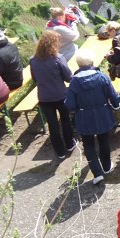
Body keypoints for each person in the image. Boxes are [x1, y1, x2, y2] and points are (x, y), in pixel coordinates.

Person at [65, 50, 120, 185]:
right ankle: (106, 166)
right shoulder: (102, 77)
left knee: (88, 145)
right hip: (102, 114)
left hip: (84, 117)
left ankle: (97, 174)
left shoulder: (74, 82)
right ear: (92, 62)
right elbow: (113, 96)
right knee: (104, 141)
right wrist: (116, 106)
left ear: (78, 64)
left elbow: (70, 105)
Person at [30, 31, 76, 160]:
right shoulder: (58, 58)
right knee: (65, 120)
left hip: (44, 97)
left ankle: (59, 151)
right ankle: (69, 144)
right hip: (60, 95)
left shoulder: (33, 60)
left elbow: (35, 79)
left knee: (52, 124)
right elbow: (68, 77)